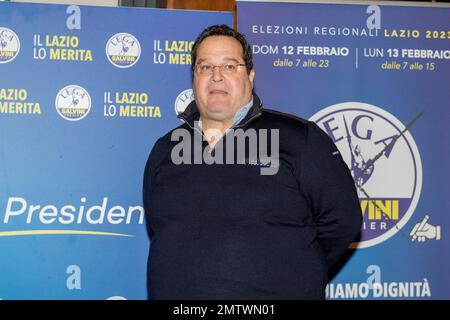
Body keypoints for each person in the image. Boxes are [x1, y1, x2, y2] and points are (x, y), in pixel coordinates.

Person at [143, 24, 362, 300]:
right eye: (205, 67)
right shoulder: (166, 148)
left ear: (250, 75)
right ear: (194, 77)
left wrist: (296, 270)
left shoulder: (300, 139)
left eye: (230, 66)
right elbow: (158, 224)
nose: (216, 76)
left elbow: (342, 220)